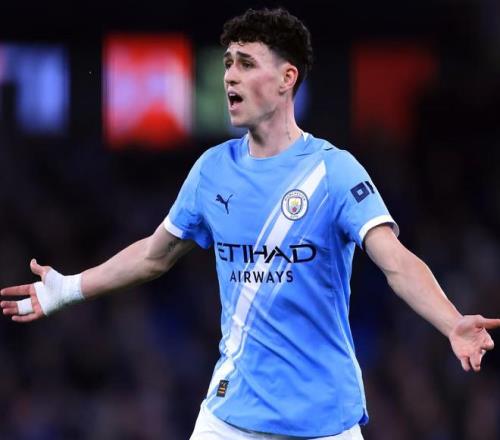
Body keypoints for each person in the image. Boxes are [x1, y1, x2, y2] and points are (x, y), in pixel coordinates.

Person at [1, 7, 499, 440]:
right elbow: (153, 255)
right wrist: (67, 289)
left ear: (287, 78)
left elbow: (396, 263)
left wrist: (451, 321)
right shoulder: (212, 170)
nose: (229, 78)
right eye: (227, 64)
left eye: (246, 63)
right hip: (231, 414)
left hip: (324, 420)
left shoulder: (333, 171)